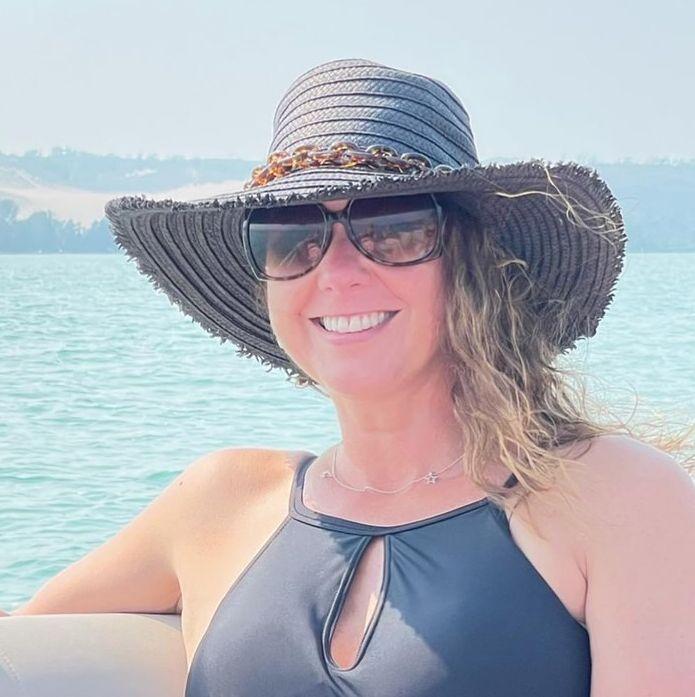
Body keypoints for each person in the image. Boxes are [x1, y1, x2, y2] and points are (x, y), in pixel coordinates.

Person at [4, 58, 695, 696]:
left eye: (391, 229)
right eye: (291, 238)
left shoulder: (614, 499)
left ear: (473, 266)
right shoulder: (218, 502)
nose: (335, 272)